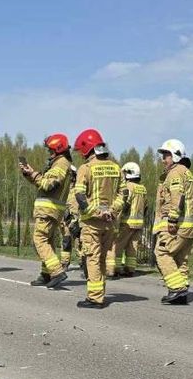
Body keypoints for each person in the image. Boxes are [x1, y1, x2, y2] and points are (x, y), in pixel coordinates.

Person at [71, 129, 126, 309]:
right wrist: (112, 210)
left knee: (92, 258)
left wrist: (95, 212)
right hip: (110, 223)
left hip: (92, 224)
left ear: (87, 148)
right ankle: (99, 293)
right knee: (101, 258)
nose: (81, 155)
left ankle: (95, 298)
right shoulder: (116, 168)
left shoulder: (85, 168)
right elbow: (124, 193)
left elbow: (79, 195)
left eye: (81, 151)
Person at [20, 134, 72, 288]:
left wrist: (34, 174)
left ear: (57, 149)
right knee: (47, 241)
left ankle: (57, 271)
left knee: (40, 239)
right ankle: (46, 274)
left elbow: (49, 185)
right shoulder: (59, 163)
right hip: (50, 210)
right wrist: (29, 173)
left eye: (50, 150)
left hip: (49, 210)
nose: (49, 153)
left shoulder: (61, 163)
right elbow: (43, 182)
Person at [153, 139, 193, 305]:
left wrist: (172, 220)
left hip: (176, 224)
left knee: (162, 253)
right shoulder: (186, 172)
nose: (163, 159)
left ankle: (177, 288)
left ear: (176, 155)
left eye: (166, 155)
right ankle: (182, 293)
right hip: (188, 225)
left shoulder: (175, 172)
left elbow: (177, 197)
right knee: (181, 259)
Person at [108, 161, 146, 277]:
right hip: (139, 223)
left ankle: (114, 269)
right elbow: (146, 206)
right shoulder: (143, 188)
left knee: (117, 245)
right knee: (132, 247)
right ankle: (130, 269)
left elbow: (126, 203)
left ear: (128, 173)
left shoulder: (129, 187)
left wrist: (118, 217)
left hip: (127, 222)